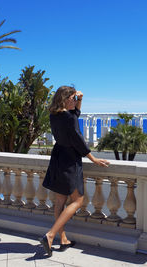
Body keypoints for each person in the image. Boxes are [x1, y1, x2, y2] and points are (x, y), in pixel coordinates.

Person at [39, 85, 110, 257]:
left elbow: (74, 115)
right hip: (70, 161)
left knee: (60, 201)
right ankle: (50, 235)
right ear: (64, 99)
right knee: (77, 201)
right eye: (72, 98)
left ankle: (63, 239)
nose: (74, 100)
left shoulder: (54, 115)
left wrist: (80, 100)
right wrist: (93, 158)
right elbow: (77, 139)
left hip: (58, 158)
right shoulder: (68, 118)